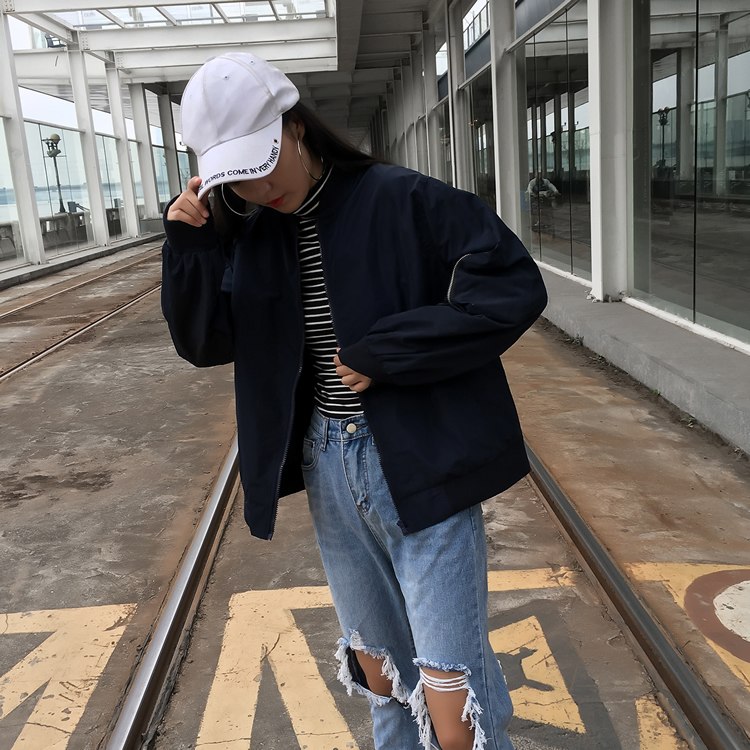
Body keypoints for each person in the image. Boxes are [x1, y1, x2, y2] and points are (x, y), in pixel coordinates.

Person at [162, 52, 547, 750]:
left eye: (261, 164)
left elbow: (511, 286)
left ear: (296, 128)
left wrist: (392, 350)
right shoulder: (253, 237)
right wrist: (190, 248)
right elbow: (206, 342)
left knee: (453, 708)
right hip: (330, 469)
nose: (256, 187)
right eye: (235, 178)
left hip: (422, 460)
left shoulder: (399, 197)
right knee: (381, 676)